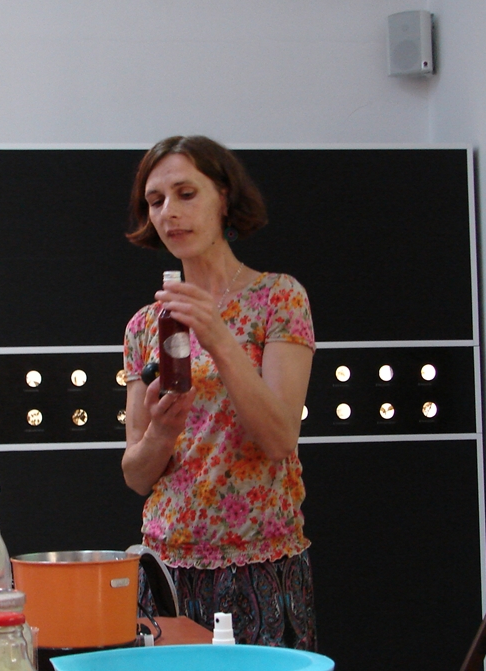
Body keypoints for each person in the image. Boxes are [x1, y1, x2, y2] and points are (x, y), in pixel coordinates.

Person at [121, 135, 317, 649]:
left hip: (260, 559)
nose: (169, 212)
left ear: (224, 197)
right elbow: (136, 475)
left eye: (186, 194)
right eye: (155, 201)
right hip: (166, 568)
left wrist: (218, 336)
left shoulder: (279, 298)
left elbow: (280, 438)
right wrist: (161, 431)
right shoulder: (144, 325)